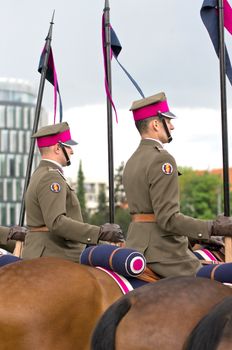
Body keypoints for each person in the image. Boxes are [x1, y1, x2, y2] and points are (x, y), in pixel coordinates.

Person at [122, 91, 232, 278]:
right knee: (213, 286)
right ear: (156, 124)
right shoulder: (162, 159)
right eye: (168, 120)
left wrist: (195, 235)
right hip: (162, 251)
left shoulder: (132, 160)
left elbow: (151, 212)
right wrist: (213, 228)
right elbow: (168, 218)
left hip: (136, 244)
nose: (172, 127)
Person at [22, 121, 124, 262]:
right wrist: (99, 233)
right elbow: (57, 222)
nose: (72, 151)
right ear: (58, 148)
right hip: (55, 253)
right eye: (68, 146)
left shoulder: (40, 173)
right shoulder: (51, 177)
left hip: (44, 250)